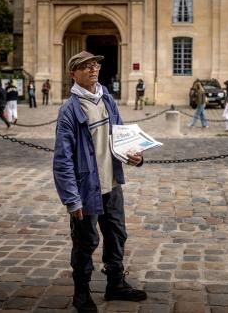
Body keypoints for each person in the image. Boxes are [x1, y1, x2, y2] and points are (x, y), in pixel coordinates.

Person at [53, 51, 147, 313]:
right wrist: (72, 199)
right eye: (85, 66)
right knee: (86, 242)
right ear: (73, 73)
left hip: (112, 184)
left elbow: (120, 134)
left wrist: (135, 156)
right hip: (87, 190)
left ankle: (115, 284)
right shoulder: (69, 110)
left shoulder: (106, 97)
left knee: (117, 235)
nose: (93, 69)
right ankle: (81, 294)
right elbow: (62, 160)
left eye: (95, 65)